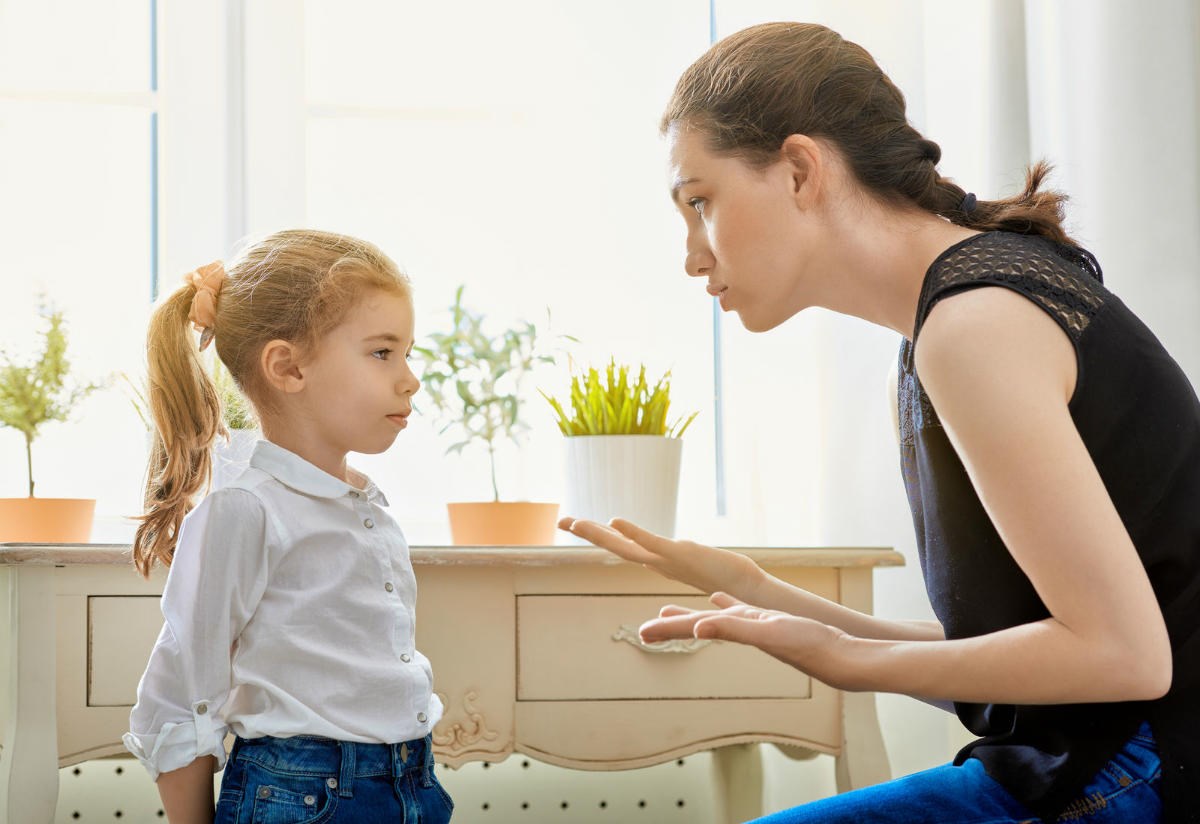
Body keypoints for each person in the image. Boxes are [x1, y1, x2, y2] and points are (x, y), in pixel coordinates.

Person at [560, 21, 1200, 824]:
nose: (693, 255)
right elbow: (1046, 653)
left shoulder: (974, 324)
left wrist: (854, 663)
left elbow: (1122, 660)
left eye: (701, 203)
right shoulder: (951, 317)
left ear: (799, 169)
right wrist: (761, 593)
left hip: (1141, 767)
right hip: (1102, 755)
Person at [123, 230, 453, 824]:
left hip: (410, 786)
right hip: (306, 798)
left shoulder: (367, 507)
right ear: (288, 367)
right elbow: (178, 697)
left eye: (408, 353)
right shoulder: (244, 510)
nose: (410, 379)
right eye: (383, 352)